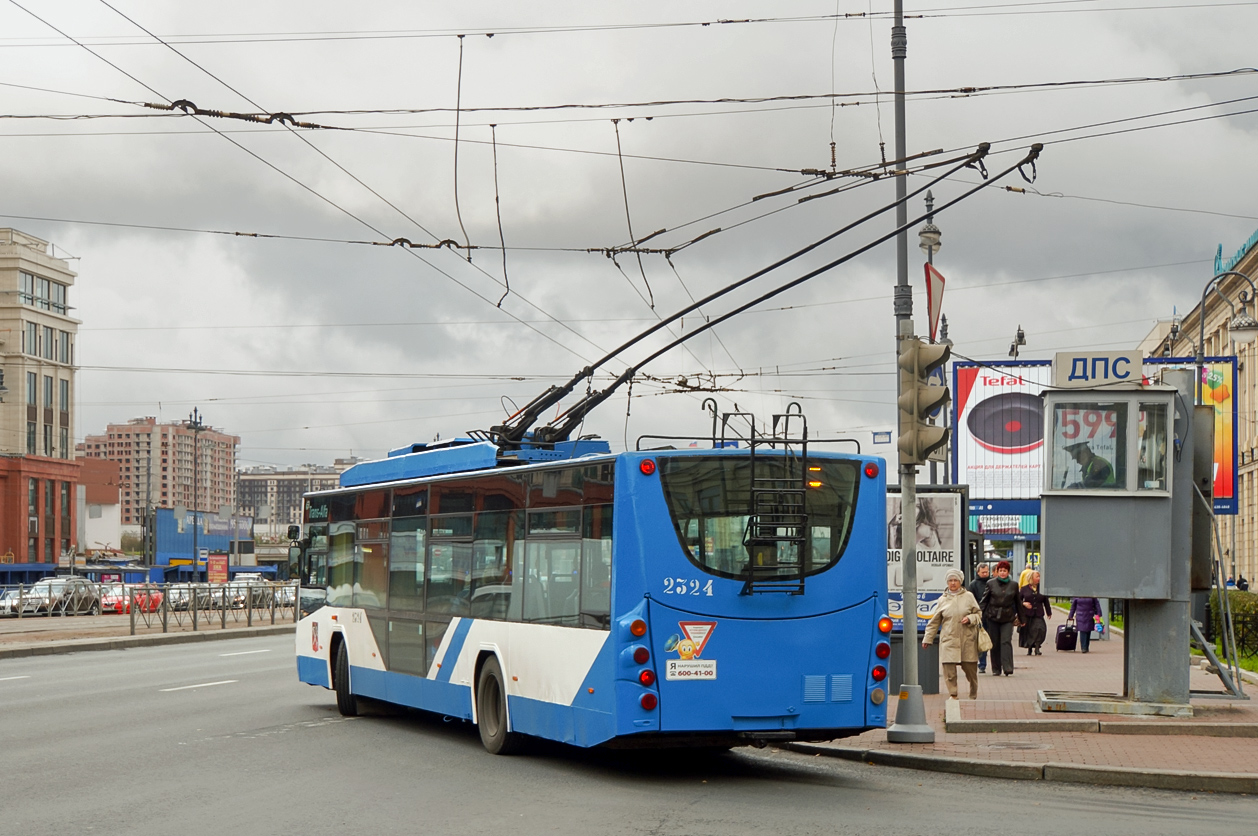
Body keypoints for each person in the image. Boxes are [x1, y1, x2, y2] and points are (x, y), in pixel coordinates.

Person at [922, 569, 982, 700]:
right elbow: (934, 621)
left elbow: (978, 614)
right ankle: (953, 694)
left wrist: (971, 618)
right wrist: (928, 638)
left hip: (967, 639)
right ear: (947, 582)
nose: (953, 583)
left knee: (970, 670)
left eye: (955, 580)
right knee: (949, 670)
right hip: (949, 639)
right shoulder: (942, 600)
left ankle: (973, 691)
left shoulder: (969, 596)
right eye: (950, 580)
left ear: (960, 581)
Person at [980, 560, 1022, 676]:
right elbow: (985, 600)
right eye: (1001, 571)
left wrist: (1022, 619)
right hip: (993, 616)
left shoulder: (1013, 585)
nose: (1003, 573)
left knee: (1005, 641)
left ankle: (1008, 667)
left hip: (1007, 617)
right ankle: (996, 668)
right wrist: (978, 614)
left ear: (1008, 572)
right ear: (997, 572)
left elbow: (1018, 602)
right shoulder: (991, 583)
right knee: (995, 643)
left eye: (1005, 571)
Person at [1018, 570, 1052, 655]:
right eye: (1037, 577)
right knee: (1029, 631)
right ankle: (1029, 648)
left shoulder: (1042, 588)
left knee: (1040, 629)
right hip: (1028, 615)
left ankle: (1037, 647)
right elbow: (1017, 600)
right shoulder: (1024, 589)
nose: (1039, 578)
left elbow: (1045, 601)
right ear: (1031, 578)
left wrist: (1049, 612)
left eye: (1039, 577)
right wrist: (1024, 604)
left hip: (1039, 614)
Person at [968, 563, 991, 673]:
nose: (985, 574)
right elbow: (970, 601)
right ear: (978, 572)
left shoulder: (992, 583)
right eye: (983, 572)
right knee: (981, 640)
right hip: (980, 617)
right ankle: (982, 664)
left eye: (986, 572)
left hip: (992, 615)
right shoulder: (973, 585)